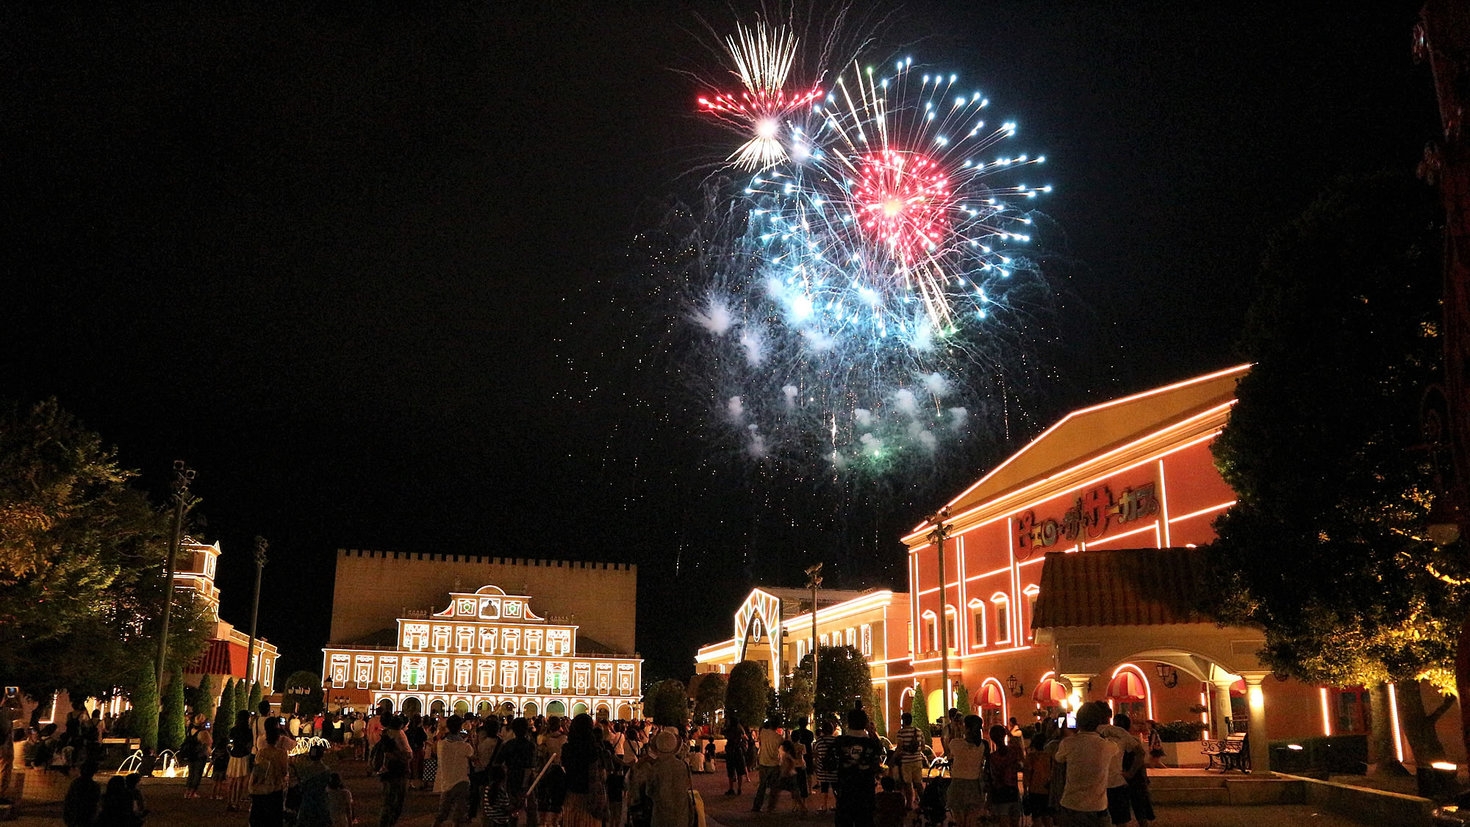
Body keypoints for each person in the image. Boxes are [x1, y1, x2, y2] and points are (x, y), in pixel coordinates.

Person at [1053, 701, 1120, 827]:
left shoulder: (1068, 743)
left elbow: (1059, 758)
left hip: (1071, 804)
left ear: (1078, 722)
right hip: (1097, 806)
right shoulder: (1107, 746)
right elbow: (1117, 747)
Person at [831, 708, 885, 827]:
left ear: (848, 722)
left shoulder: (840, 742)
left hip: (845, 790)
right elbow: (877, 761)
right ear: (865, 723)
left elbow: (829, 764)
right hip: (865, 790)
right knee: (865, 821)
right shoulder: (872, 743)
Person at [630, 728, 692, 827]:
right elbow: (686, 786)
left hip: (662, 814)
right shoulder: (682, 765)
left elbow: (649, 791)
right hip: (681, 813)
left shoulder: (656, 767)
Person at [557, 713, 610, 827]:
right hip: (591, 798)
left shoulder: (567, 749)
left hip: (572, 795)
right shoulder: (594, 750)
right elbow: (601, 775)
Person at [945, 716, 989, 827]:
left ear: (967, 728)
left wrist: (955, 729)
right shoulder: (982, 746)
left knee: (960, 821)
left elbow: (948, 747)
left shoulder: (956, 744)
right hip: (974, 785)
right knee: (971, 821)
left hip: (958, 785)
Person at [434, 714, 477, 827]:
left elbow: (437, 742)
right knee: (458, 817)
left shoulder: (441, 745)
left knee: (441, 815)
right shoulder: (465, 746)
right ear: (460, 727)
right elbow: (474, 758)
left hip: (446, 783)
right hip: (462, 782)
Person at [250, 716, 293, 827]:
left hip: (261, 790)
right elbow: (284, 771)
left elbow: (257, 770)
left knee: (261, 819)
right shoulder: (281, 753)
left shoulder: (261, 750)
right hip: (275, 789)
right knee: (274, 819)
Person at [375, 715, 411, 827]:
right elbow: (407, 754)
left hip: (388, 771)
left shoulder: (387, 733)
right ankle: (388, 823)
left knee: (389, 801)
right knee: (396, 801)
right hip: (397, 770)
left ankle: (385, 822)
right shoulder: (398, 734)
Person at [986, 726, 1022, 827]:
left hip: (999, 793)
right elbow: (1021, 763)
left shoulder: (992, 757)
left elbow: (990, 778)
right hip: (1013, 791)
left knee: (1003, 822)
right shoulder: (1013, 753)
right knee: (1015, 822)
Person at [1022, 732, 1056, 827]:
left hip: (1035, 790)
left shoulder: (1031, 757)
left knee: (1036, 818)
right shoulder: (1050, 757)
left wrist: (1025, 791)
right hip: (1047, 790)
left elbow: (1027, 775)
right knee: (1047, 817)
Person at [893, 712, 925, 810]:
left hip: (906, 762)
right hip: (917, 760)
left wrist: (892, 759)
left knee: (908, 783)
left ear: (903, 721)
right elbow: (923, 747)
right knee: (918, 783)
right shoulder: (919, 731)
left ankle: (909, 804)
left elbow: (899, 748)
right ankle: (923, 802)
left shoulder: (901, 733)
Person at [750, 717, 783, 812]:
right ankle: (771, 807)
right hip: (774, 764)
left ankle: (757, 806)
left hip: (763, 762)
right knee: (773, 787)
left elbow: (763, 726)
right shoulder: (779, 737)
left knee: (762, 786)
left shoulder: (763, 732)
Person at [227, 708, 254, 812]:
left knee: (231, 780)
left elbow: (230, 742)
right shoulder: (248, 731)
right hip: (243, 756)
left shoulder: (233, 729)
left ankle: (229, 801)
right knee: (240, 781)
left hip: (233, 756)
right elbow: (249, 745)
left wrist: (230, 750)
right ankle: (237, 802)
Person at [61, 760, 102, 827]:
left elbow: (69, 800)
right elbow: (95, 803)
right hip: (86, 817)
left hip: (75, 816)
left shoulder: (76, 783)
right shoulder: (94, 786)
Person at [182, 712, 212, 799]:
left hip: (191, 754)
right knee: (197, 774)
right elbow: (209, 742)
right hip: (200, 755)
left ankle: (187, 792)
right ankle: (192, 792)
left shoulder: (192, 730)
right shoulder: (203, 733)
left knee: (191, 773)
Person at [812, 719, 838, 814]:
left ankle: (823, 806)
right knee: (836, 787)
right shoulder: (836, 741)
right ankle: (837, 805)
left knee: (824, 787)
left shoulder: (819, 741)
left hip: (823, 768)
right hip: (834, 768)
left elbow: (815, 753)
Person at [778, 738, 808, 813]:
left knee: (794, 792)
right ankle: (801, 807)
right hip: (791, 774)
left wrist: (784, 772)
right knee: (795, 792)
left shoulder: (787, 755)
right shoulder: (789, 754)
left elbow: (790, 764)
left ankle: (800, 807)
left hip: (789, 775)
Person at [721, 720, 747, 796]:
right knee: (739, 772)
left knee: (731, 771)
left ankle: (731, 788)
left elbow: (724, 732)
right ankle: (739, 789)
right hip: (738, 751)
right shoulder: (740, 730)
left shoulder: (729, 731)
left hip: (731, 752)